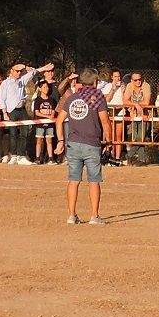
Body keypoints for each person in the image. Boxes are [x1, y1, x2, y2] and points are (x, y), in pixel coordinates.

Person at [57, 69, 115, 225]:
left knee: (73, 180)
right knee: (94, 181)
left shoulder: (72, 98)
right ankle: (94, 216)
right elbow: (105, 122)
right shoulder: (98, 98)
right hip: (92, 144)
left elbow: (59, 121)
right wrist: (109, 142)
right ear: (95, 82)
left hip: (73, 144)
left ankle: (71, 215)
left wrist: (61, 140)